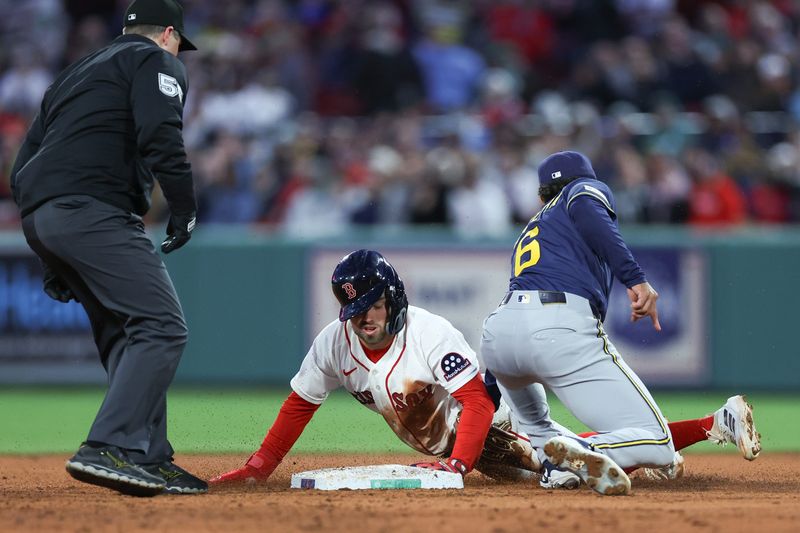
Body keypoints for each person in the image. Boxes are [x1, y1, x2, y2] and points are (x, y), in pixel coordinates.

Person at [478, 151, 761, 495]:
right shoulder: (581, 191)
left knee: (542, 431)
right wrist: (635, 279)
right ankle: (578, 455)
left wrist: (488, 396)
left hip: (499, 334)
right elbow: (585, 205)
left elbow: (514, 332)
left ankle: (559, 465)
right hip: (555, 327)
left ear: (541, 196)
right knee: (657, 443)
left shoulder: (532, 227)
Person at [10, 0, 204, 497]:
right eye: (179, 42)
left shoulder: (73, 75)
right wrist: (183, 207)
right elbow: (161, 133)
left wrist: (50, 248)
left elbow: (23, 163)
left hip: (45, 215)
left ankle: (148, 456)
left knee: (126, 332)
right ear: (166, 34)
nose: (179, 51)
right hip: (94, 210)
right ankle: (108, 444)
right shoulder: (157, 61)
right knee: (163, 326)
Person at [210, 249, 543, 486]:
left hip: (487, 422)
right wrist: (259, 467)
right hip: (456, 445)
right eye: (355, 308)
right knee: (542, 473)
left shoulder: (429, 333)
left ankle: (594, 443)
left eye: (374, 306)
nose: (364, 317)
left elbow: (478, 402)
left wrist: (456, 465)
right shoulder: (334, 343)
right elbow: (300, 405)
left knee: (552, 463)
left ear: (394, 300)